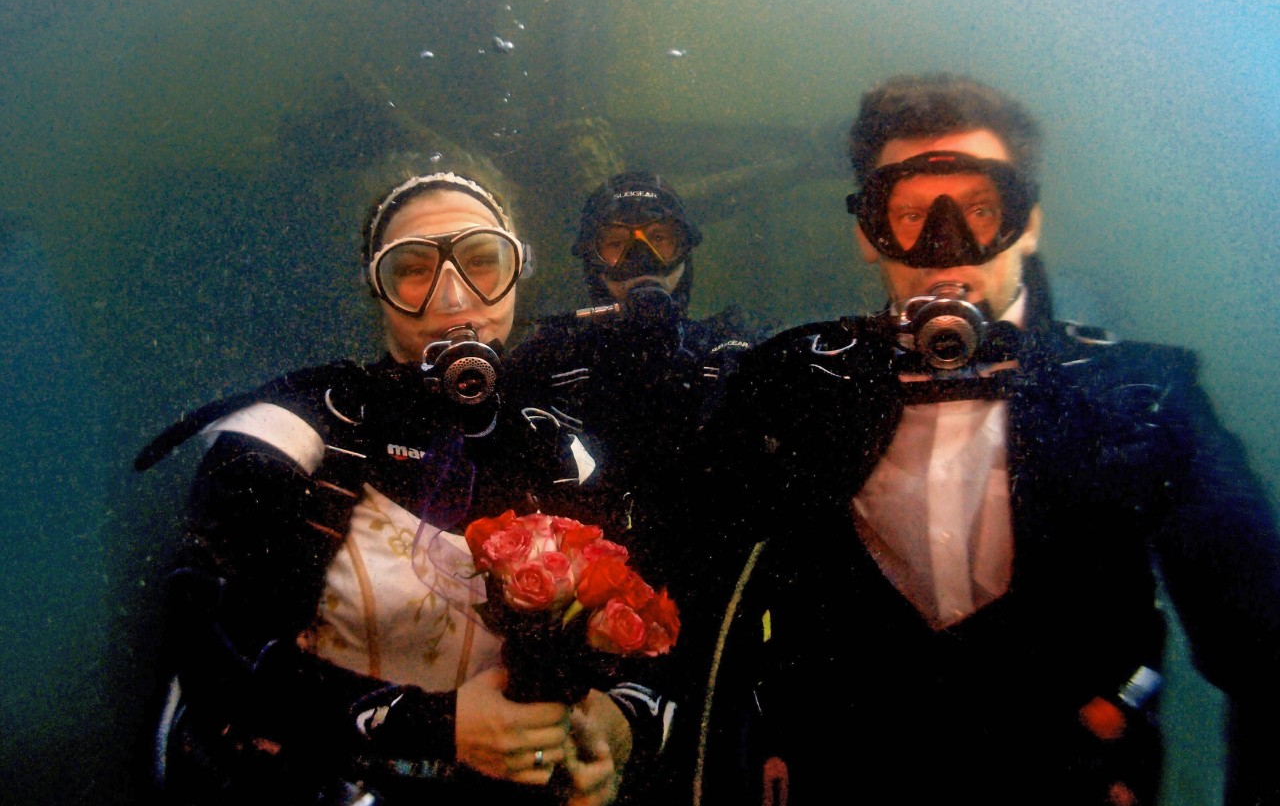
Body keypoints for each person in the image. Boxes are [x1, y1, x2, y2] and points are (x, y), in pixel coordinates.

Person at [691, 75, 1280, 806]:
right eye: (908, 215)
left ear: (1028, 222)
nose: (946, 247)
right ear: (865, 233)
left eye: (980, 209)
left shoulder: (1146, 397)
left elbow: (1264, 648)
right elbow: (685, 591)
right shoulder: (790, 384)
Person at [137, 156, 672, 806]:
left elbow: (642, 636)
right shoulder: (296, 429)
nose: (452, 298)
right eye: (413, 269)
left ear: (516, 275)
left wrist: (617, 729)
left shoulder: (564, 451)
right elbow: (207, 646)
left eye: (482, 261)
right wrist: (434, 727)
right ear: (376, 287)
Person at [506, 172, 759, 563]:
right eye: (616, 244)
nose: (641, 260)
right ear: (593, 260)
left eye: (660, 239)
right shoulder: (548, 360)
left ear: (684, 250)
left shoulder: (728, 354)